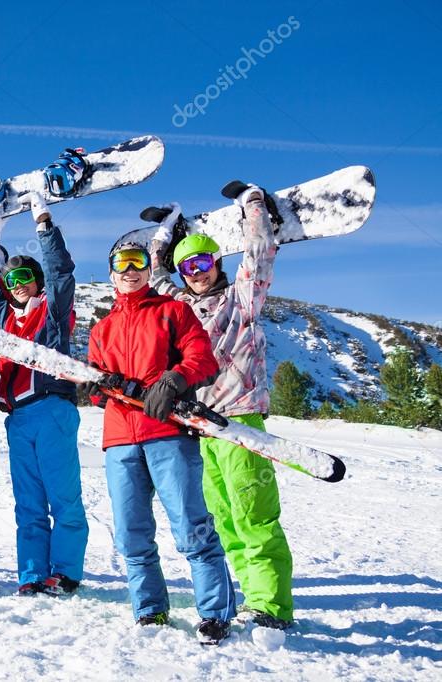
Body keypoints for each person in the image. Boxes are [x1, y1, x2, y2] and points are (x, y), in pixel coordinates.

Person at [148, 186, 294, 630]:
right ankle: (251, 596)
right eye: (188, 266)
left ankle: (271, 606)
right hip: (199, 427)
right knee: (223, 521)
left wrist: (252, 203)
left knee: (254, 515)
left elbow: (261, 252)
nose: (196, 273)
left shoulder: (241, 299)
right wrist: (164, 231)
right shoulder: (180, 307)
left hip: (240, 420)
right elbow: (155, 277)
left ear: (217, 263)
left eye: (204, 263)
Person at [87, 238, 237, 645]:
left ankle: (215, 613)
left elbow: (203, 357)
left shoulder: (174, 311)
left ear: (147, 269)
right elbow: (96, 385)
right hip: (119, 439)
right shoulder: (101, 328)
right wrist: (99, 390)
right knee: (131, 534)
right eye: (122, 263)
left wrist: (175, 379)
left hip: (168, 434)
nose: (130, 270)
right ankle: (150, 609)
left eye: (138, 262)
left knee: (191, 527)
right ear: (112, 272)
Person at [0, 192, 88, 597]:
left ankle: (65, 572)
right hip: (18, 419)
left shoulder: (52, 310)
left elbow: (62, 273)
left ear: (36, 283)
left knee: (62, 498)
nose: (18, 285)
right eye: (12, 281)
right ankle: (31, 574)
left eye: (25, 278)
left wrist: (43, 224)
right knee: (28, 504)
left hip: (52, 410)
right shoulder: (8, 318)